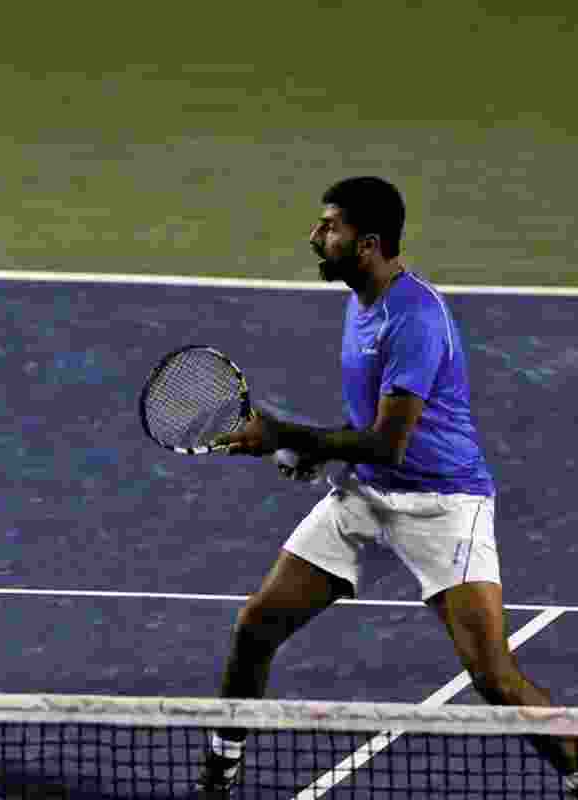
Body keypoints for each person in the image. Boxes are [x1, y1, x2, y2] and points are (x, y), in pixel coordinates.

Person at [196, 176, 578, 797]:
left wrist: (284, 432)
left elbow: (388, 441)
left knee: (493, 677)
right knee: (256, 626)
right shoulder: (361, 300)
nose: (315, 237)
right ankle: (221, 765)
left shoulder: (415, 318)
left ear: (367, 242)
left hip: (443, 506)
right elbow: (370, 433)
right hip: (366, 494)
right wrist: (311, 450)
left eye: (329, 228)